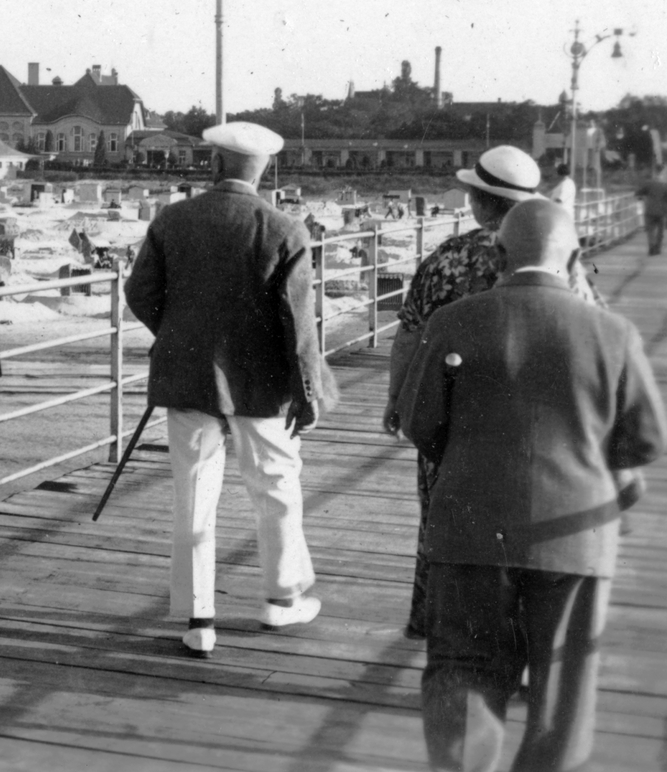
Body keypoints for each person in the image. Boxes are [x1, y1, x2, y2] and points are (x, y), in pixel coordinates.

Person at [398, 200, 665, 772]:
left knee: (463, 670)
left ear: (498, 252)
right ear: (574, 256)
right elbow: (646, 440)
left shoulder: (454, 322)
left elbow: (420, 423)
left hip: (469, 527)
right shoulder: (613, 333)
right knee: (562, 693)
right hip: (577, 532)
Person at [124, 121, 336, 659]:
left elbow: (140, 292)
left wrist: (179, 336)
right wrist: (308, 390)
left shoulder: (172, 220)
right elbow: (299, 322)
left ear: (214, 163)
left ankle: (199, 620)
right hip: (260, 383)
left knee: (193, 495)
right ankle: (281, 597)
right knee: (276, 486)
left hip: (188, 379)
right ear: (262, 171)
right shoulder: (284, 230)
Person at [386, 146, 599, 639]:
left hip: (455, 415)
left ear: (479, 201)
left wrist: (397, 399)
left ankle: (436, 618)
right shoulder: (561, 259)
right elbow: (591, 329)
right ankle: (523, 630)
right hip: (542, 418)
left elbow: (410, 333)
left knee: (442, 512)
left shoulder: (446, 258)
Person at [637, 165, 667, 256]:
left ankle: (651, 247)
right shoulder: (665, 185)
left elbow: (638, 192)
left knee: (650, 230)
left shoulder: (649, 184)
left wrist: (641, 196)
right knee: (660, 232)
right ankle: (657, 248)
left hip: (650, 210)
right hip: (662, 212)